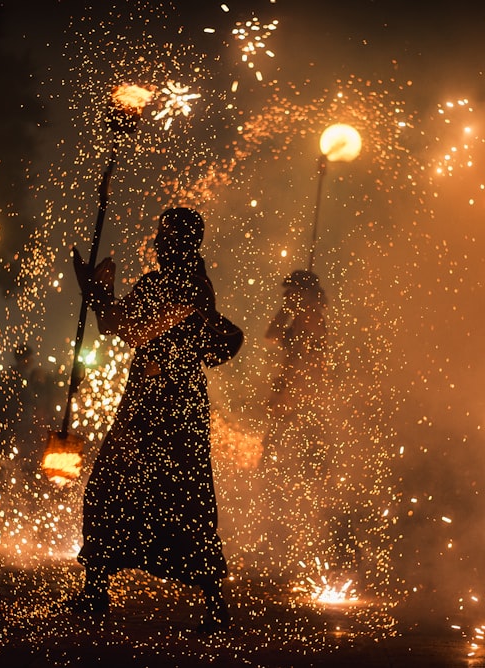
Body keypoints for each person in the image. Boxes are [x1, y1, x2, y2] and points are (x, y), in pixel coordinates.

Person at [67, 206, 243, 633]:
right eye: (159, 236)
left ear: (182, 242)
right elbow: (116, 323)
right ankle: (96, 588)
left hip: (174, 404)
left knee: (184, 493)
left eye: (164, 237)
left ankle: (214, 602)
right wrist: (97, 293)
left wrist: (101, 297)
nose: (158, 243)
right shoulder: (159, 282)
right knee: (112, 484)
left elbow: (135, 330)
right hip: (146, 400)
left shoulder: (192, 286)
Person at [255, 269, 330, 573]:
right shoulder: (298, 317)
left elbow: (310, 369)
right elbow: (271, 335)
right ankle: (276, 542)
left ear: (307, 294)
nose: (287, 297)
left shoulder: (312, 320)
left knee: (295, 471)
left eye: (292, 292)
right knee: (272, 469)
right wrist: (286, 311)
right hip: (289, 407)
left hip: (303, 410)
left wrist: (290, 396)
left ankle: (297, 544)